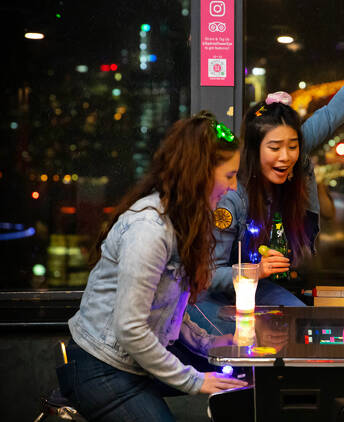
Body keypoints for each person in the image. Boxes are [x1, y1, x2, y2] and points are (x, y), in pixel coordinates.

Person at [188, 23, 344, 333]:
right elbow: (206, 273)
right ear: (255, 150)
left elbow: (335, 110)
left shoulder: (295, 155)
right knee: (247, 339)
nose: (285, 156)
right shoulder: (233, 196)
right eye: (274, 148)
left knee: (303, 328)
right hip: (216, 296)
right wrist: (253, 270)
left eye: (293, 146)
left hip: (263, 289)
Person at [63, 112, 248, 421]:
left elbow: (167, 311)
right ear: (201, 173)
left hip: (133, 363)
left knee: (242, 379)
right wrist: (195, 380)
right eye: (229, 176)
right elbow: (131, 328)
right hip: (101, 369)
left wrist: (210, 344)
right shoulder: (149, 229)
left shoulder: (184, 222)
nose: (233, 187)